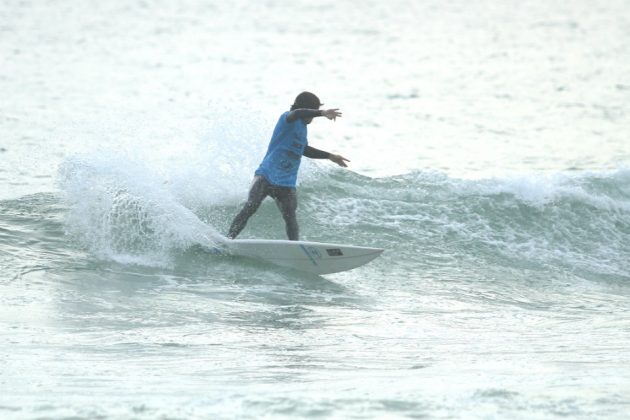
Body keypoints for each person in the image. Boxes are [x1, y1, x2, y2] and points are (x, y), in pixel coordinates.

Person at [227, 91, 348, 241]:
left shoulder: (303, 129)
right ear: (307, 109)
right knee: (251, 207)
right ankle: (229, 239)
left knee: (290, 217)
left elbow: (304, 149)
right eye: (312, 111)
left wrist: (330, 156)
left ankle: (295, 247)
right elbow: (297, 113)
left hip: (286, 182)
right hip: (266, 175)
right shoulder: (288, 118)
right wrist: (322, 112)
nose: (313, 117)